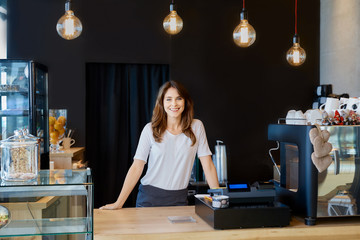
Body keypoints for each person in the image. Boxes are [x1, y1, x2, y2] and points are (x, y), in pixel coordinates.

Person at [100, 80, 219, 209]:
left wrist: (218, 198)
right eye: (168, 99)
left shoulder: (197, 127)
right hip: (149, 198)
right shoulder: (150, 129)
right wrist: (119, 203)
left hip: (179, 199)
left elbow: (208, 165)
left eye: (179, 98)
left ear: (185, 101)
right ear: (162, 102)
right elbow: (136, 167)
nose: (174, 103)